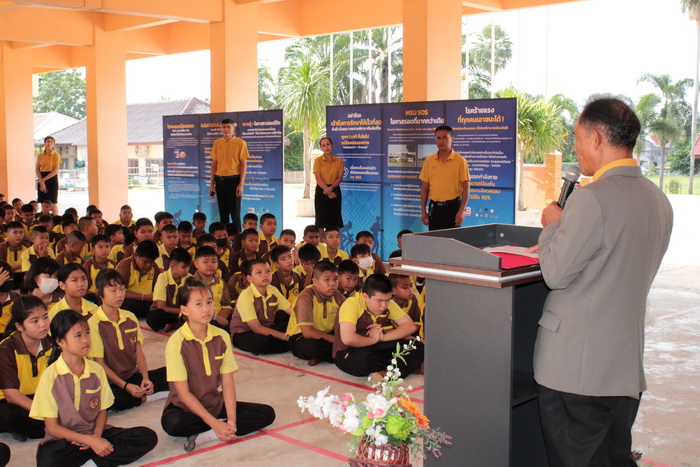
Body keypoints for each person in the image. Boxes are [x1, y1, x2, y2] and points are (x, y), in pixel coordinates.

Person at [529, 98, 673, 466]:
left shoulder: (592, 199)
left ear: (596, 137)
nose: (575, 148)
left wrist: (553, 226)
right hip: (623, 371)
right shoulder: (658, 200)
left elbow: (556, 272)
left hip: (575, 373)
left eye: (577, 138)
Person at [29, 309, 158, 467]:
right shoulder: (50, 376)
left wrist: (96, 436)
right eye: (78, 335)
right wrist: (89, 441)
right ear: (60, 342)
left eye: (87, 333)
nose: (85, 340)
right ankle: (96, 459)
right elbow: (52, 427)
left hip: (94, 432)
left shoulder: (96, 370)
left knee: (146, 436)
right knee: (48, 460)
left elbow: (102, 411)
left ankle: (91, 463)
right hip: (64, 439)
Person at [161, 277, 275, 452]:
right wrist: (214, 422)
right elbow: (183, 394)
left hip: (214, 404)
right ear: (184, 310)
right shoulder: (176, 342)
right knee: (173, 424)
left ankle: (210, 433)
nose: (206, 309)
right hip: (184, 408)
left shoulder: (221, 336)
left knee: (266, 413)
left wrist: (232, 420)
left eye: (209, 302)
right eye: (198, 304)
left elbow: (227, 383)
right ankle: (216, 427)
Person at [88, 269, 168, 411]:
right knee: (112, 399)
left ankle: (144, 391)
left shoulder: (130, 317)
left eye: (122, 289)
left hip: (133, 375)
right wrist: (125, 386)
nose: (119, 294)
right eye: (113, 290)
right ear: (99, 293)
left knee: (172, 373)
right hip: (111, 382)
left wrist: (145, 378)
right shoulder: (93, 323)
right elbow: (100, 363)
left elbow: (138, 351)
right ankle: (147, 398)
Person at [333, 274, 422, 379]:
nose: (384, 305)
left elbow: (410, 326)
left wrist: (382, 337)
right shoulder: (352, 304)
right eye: (379, 301)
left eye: (388, 300)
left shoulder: (388, 303)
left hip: (376, 345)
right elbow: (348, 339)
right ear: (365, 296)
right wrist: (373, 339)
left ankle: (383, 373)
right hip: (350, 350)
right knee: (363, 361)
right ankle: (395, 368)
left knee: (417, 346)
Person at [0, 295, 52, 440]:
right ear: (19, 326)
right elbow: (11, 395)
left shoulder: (53, 344)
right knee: (10, 416)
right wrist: (45, 412)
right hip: (11, 401)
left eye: (45, 317)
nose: (43, 324)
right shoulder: (5, 349)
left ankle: (47, 426)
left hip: (40, 396)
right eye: (35, 321)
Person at [287, 260, 345, 366]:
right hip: (302, 337)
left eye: (335, 279)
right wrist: (337, 340)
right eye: (327, 280)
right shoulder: (306, 297)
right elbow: (307, 332)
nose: (332, 283)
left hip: (328, 334)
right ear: (315, 281)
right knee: (313, 348)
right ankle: (337, 352)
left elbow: (350, 314)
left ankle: (329, 355)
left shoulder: (337, 295)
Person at [230, 259, 292, 355]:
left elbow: (292, 311)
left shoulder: (273, 290)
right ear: (249, 279)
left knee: (290, 320)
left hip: (267, 327)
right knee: (261, 343)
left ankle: (290, 341)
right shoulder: (245, 295)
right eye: (259, 272)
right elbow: (256, 328)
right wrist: (284, 336)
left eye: (268, 271)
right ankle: (292, 341)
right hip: (244, 332)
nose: (265, 275)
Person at [419, 125, 471, 231]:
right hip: (434, 208)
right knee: (434, 239)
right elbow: (425, 187)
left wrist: (461, 211)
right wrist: (423, 211)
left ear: (452, 138)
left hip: (452, 208)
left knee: (451, 239)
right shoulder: (429, 160)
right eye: (438, 138)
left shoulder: (460, 160)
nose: (441, 141)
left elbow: (466, 188)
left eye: (445, 137)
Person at [209, 119, 249, 229]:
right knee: (223, 215)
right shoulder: (217, 143)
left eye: (228, 127)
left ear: (233, 128)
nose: (226, 129)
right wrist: (212, 184)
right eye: (224, 127)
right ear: (221, 128)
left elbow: (243, 164)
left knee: (235, 215)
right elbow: (214, 164)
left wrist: (241, 184)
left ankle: (237, 238)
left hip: (234, 181)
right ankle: (223, 238)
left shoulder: (240, 143)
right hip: (219, 181)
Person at [313, 137, 344, 232]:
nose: (326, 147)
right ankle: (321, 241)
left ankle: (333, 240)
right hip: (321, 189)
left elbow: (339, 178)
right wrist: (328, 190)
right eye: (323, 145)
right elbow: (318, 178)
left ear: (332, 145)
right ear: (321, 148)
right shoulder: (318, 160)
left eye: (328, 144)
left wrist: (331, 188)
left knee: (335, 219)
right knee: (321, 221)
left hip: (335, 189)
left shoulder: (339, 161)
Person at [36, 136, 61, 215]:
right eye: (47, 141)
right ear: (44, 144)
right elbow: (37, 169)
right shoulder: (40, 155)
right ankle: (43, 218)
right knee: (42, 200)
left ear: (53, 144)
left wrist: (43, 180)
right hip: (41, 177)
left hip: (51, 178)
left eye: (51, 142)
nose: (49, 143)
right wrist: (41, 181)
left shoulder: (56, 155)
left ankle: (55, 218)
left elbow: (55, 170)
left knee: (53, 201)